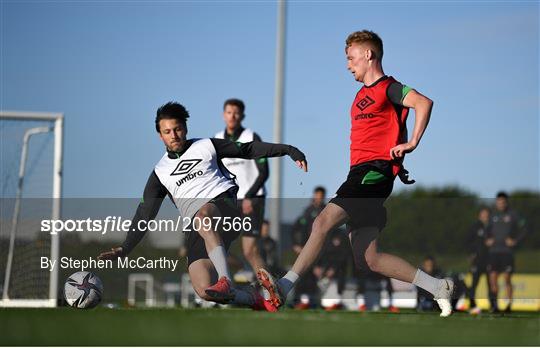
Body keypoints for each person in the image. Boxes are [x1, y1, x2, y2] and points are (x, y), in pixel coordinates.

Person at [257, 30, 454, 317]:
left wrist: (411, 143)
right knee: (368, 259)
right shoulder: (360, 95)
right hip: (364, 174)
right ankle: (438, 287)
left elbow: (424, 103)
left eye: (351, 58)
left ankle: (285, 286)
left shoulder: (389, 87)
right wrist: (397, 159)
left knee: (322, 221)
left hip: (372, 174)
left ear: (368, 55)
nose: (348, 65)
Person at [98, 102, 307, 312]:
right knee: (204, 289)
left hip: (223, 206)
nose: (174, 135)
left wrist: (289, 150)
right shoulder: (160, 173)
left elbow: (247, 149)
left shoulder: (206, 146)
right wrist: (125, 248)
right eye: (167, 131)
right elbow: (145, 213)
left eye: (178, 129)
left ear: (185, 128)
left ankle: (226, 278)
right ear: (160, 136)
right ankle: (256, 300)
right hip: (198, 227)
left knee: (203, 217)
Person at [214, 98, 268, 274]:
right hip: (229, 200)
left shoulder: (251, 137)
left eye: (236, 113)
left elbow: (264, 172)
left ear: (242, 116)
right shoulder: (216, 139)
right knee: (215, 246)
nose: (232, 116)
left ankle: (271, 292)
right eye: (229, 112)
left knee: (250, 250)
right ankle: (235, 280)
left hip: (252, 200)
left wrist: (249, 197)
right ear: (223, 115)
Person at [486, 191, 527, 313]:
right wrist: (487, 239)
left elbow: (525, 228)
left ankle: (509, 305)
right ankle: (495, 305)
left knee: (507, 278)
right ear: (496, 203)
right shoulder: (492, 215)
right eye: (499, 202)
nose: (501, 204)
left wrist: (515, 240)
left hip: (507, 252)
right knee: (493, 278)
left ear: (506, 202)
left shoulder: (513, 214)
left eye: (503, 202)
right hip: (494, 252)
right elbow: (486, 231)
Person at [290, 186, 328, 309]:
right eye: (317, 195)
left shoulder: (327, 211)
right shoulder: (307, 211)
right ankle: (297, 301)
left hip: (322, 251)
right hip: (306, 249)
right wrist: (296, 245)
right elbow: (296, 228)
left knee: (317, 278)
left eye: (321, 196)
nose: (319, 198)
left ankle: (315, 302)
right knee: (302, 275)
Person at [466, 207, 491, 315]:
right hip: (477, 260)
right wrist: (471, 254)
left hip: (490, 259)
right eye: (483, 214)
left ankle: (493, 305)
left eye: (487, 214)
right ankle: (472, 305)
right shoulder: (475, 227)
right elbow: (467, 241)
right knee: (474, 283)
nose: (485, 216)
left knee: (491, 283)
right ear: (479, 215)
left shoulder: (493, 227)